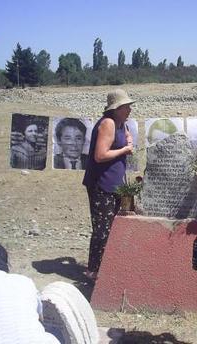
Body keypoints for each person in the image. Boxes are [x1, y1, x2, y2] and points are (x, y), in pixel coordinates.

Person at [82, 89, 134, 280]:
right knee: (102, 230)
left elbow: (125, 139)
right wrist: (124, 150)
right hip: (102, 184)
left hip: (114, 183)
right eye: (126, 106)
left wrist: (127, 141)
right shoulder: (108, 123)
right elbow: (100, 155)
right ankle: (93, 270)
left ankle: (104, 268)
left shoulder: (121, 124)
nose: (130, 109)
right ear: (117, 108)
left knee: (111, 227)